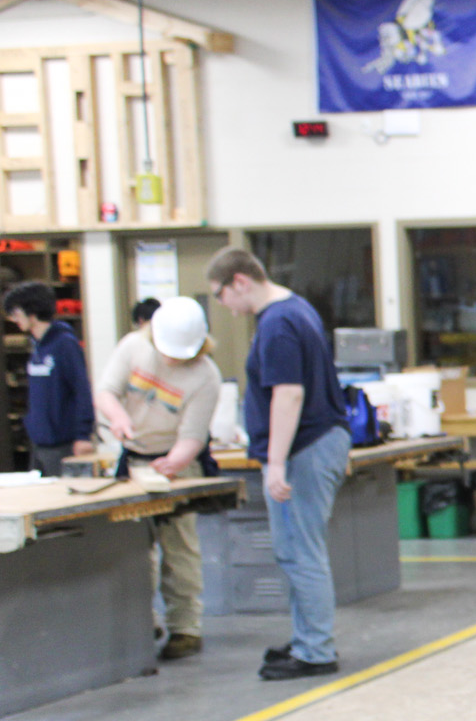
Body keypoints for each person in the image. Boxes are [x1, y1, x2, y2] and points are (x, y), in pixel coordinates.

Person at [206, 247, 350, 680]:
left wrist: (274, 462)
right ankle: (309, 636)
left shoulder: (277, 325)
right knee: (297, 549)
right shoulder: (296, 309)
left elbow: (289, 394)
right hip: (318, 440)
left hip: (304, 447)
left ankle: (315, 650)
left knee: (299, 551)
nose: (226, 310)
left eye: (221, 297)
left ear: (240, 282)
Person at [94, 296, 223, 661]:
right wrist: (118, 418)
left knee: (180, 548)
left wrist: (174, 461)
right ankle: (142, 620)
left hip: (177, 464)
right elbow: (106, 392)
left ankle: (185, 627)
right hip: (133, 459)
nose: (170, 360)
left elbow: (193, 435)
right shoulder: (133, 347)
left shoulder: (205, 376)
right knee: (135, 546)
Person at [4, 282, 95, 477]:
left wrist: (83, 435)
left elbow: (82, 390)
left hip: (64, 443)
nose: (14, 319)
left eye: (16, 312)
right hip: (39, 443)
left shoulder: (65, 344)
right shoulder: (37, 346)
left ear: (32, 312)